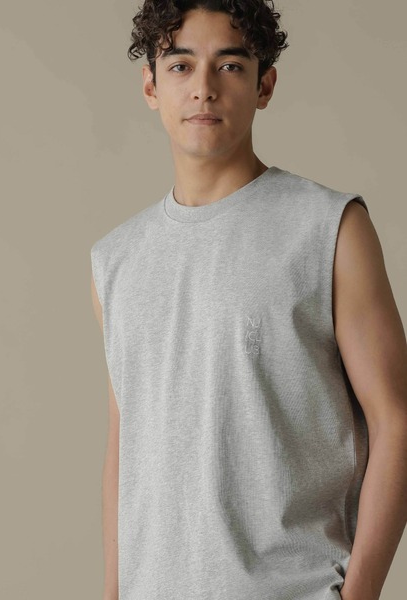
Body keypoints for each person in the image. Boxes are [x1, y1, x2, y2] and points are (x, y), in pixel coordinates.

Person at [90, 1, 407, 599]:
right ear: (150, 86)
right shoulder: (115, 259)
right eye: (180, 66)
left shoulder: (329, 228)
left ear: (265, 86)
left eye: (230, 66)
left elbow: (397, 420)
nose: (203, 88)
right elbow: (124, 452)